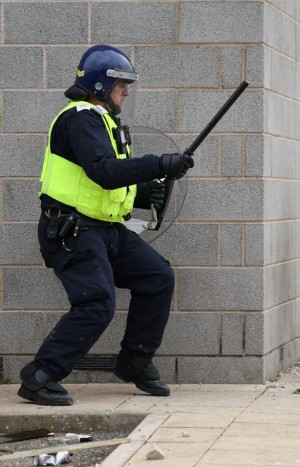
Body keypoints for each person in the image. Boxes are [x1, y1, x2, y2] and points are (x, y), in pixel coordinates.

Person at [18, 45, 194, 406]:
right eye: (121, 85)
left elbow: (106, 183)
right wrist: (159, 164)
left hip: (104, 230)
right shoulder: (80, 117)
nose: (126, 91)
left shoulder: (103, 121)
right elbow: (104, 172)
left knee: (157, 277)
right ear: (101, 85)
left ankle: (134, 361)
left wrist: (145, 193)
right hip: (73, 231)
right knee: (97, 302)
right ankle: (39, 376)